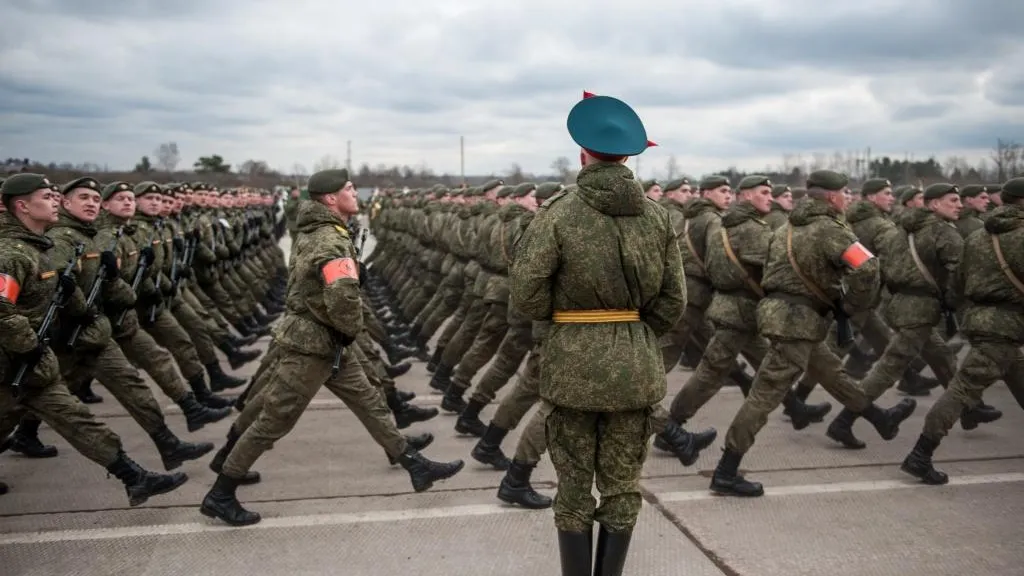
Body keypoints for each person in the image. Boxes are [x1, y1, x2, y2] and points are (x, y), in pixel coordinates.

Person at [511, 92, 685, 576]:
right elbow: (674, 301)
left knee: (572, 486)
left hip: (571, 366)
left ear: (582, 154)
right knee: (622, 486)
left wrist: (566, 321)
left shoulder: (557, 214)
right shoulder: (657, 217)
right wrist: (632, 329)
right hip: (635, 366)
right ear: (629, 155)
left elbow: (526, 294)